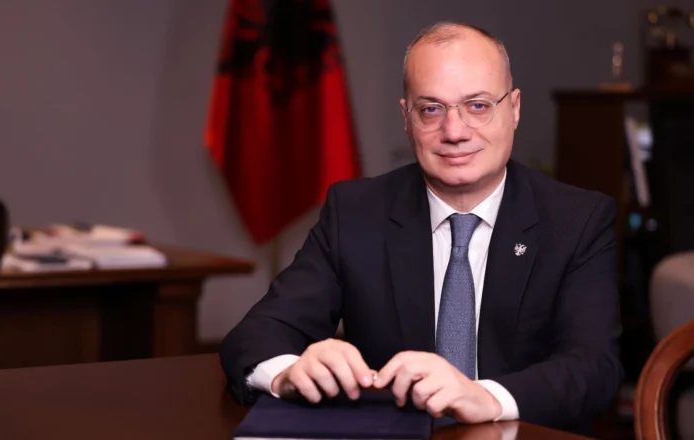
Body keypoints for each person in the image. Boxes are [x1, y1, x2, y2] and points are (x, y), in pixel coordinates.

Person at [219, 21, 624, 435]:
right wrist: (290, 373)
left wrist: (486, 397)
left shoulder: (576, 220)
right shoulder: (356, 213)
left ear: (514, 108)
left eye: (478, 106)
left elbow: (594, 368)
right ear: (406, 117)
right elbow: (256, 334)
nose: (454, 132)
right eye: (431, 109)